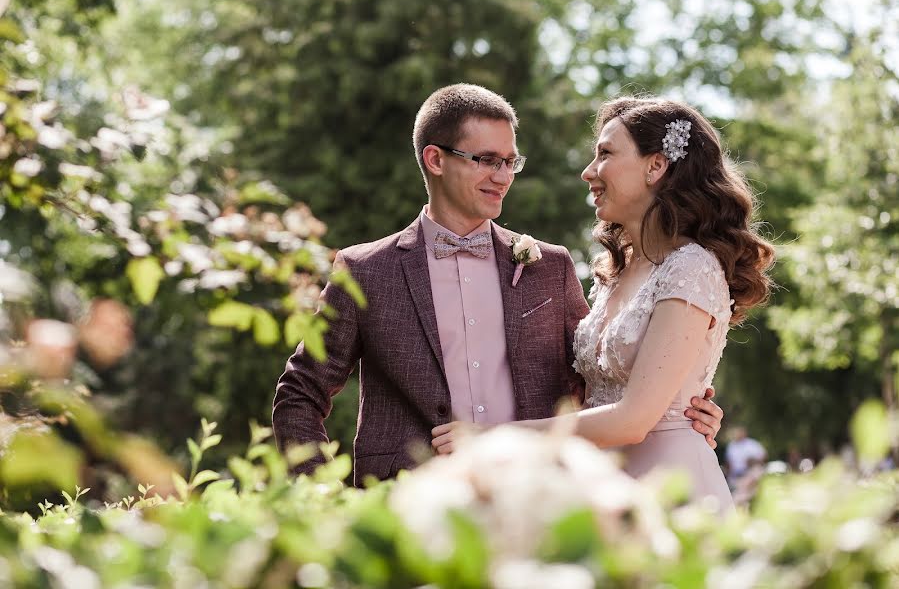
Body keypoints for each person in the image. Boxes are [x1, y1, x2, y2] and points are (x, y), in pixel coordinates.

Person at [273, 85, 724, 486]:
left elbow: (597, 380)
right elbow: (300, 392)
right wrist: (320, 495)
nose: (503, 176)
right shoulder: (365, 270)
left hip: (536, 502)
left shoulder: (550, 266)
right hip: (408, 499)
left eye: (510, 162)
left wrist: (681, 409)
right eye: (488, 161)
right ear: (436, 159)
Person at [433, 96, 774, 513]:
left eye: (605, 154)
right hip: (606, 490)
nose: (588, 172)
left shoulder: (692, 268)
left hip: (673, 491)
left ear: (656, 166)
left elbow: (633, 420)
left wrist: (495, 437)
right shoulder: (615, 271)